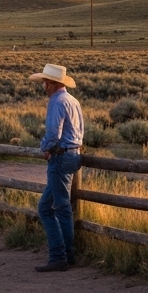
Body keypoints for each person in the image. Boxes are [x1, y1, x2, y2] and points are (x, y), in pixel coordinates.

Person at [31, 63, 84, 272]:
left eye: (45, 82)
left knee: (55, 207)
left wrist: (45, 147)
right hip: (72, 154)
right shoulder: (72, 100)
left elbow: (53, 132)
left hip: (61, 156)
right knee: (57, 206)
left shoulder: (56, 102)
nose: (43, 85)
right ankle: (66, 254)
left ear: (52, 83)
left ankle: (59, 256)